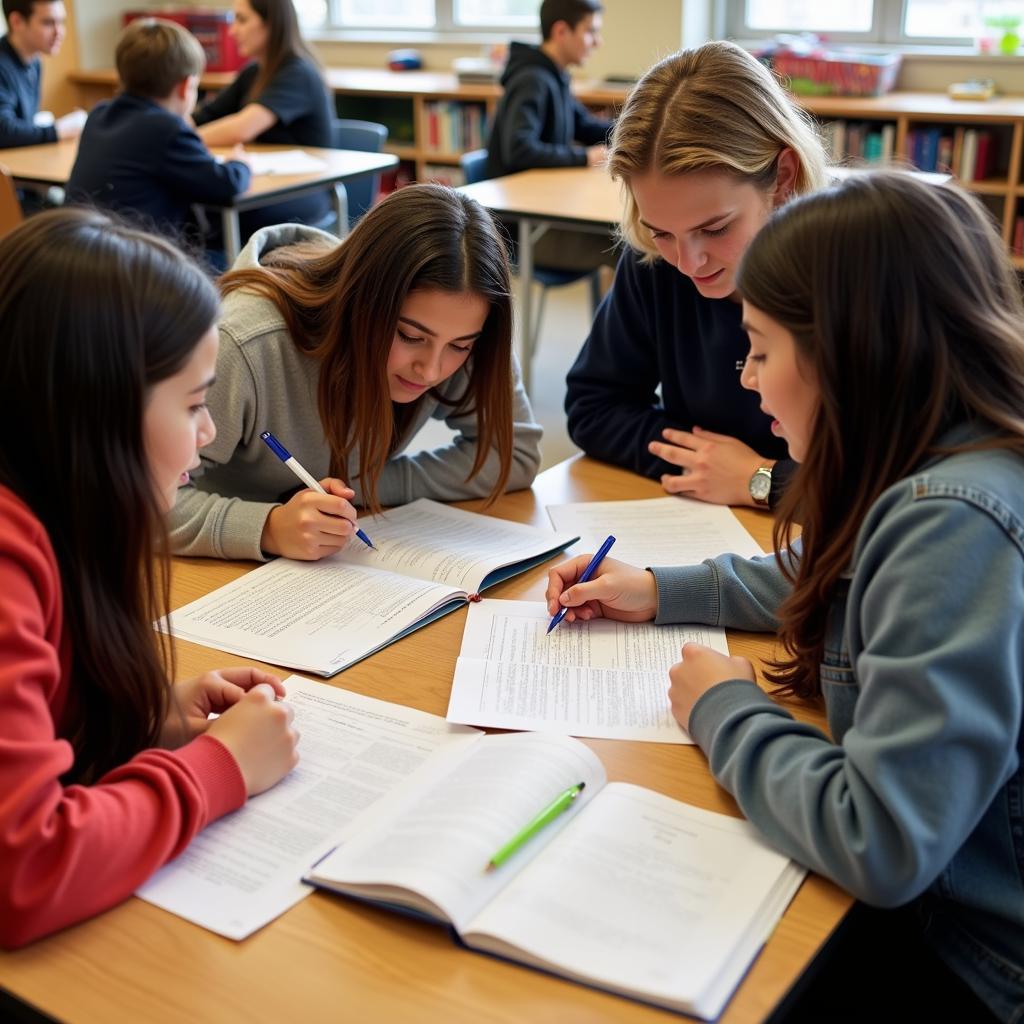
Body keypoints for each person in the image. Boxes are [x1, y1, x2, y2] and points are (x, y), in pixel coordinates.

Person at [547, 173, 1024, 1021]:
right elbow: (825, 570)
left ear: (850, 352)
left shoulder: (952, 522)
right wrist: (658, 590)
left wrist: (725, 708)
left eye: (761, 348)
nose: (751, 381)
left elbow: (883, 840)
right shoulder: (939, 457)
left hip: (978, 955)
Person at [0, 208, 300, 949]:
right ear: (96, 408)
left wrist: (147, 715)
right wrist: (217, 768)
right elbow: (22, 871)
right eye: (194, 404)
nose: (205, 434)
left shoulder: (50, 510)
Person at [169, 183, 542, 562]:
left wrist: (359, 486)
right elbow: (131, 498)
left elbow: (513, 456)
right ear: (362, 302)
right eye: (410, 336)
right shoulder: (245, 343)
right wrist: (268, 526)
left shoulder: (461, 321)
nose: (431, 369)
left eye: (460, 346)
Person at [565, 41, 829, 509]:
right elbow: (594, 406)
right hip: (707, 521)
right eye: (661, 231)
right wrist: (706, 464)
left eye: (715, 228)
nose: (689, 264)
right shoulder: (655, 261)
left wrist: (761, 478)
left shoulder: (857, 268)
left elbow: (905, 483)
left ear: (783, 178)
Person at [67, 19, 251, 262]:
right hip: (138, 269)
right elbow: (225, 184)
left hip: (80, 258)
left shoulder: (99, 115)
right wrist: (240, 164)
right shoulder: (166, 129)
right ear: (186, 87)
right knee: (234, 258)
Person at [484, 0, 615, 271]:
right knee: (628, 247)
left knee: (629, 242)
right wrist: (584, 156)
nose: (598, 42)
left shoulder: (554, 76)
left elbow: (585, 126)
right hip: (523, 229)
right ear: (561, 32)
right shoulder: (533, 80)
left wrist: (638, 129)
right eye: (591, 31)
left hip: (545, 215)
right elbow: (520, 149)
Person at [191, 0, 333, 234]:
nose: (233, 30)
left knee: (205, 213)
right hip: (263, 185)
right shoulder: (253, 73)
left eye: (242, 20)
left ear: (271, 24)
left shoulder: (298, 73)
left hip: (301, 193)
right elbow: (205, 116)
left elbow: (242, 128)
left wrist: (184, 139)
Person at [0, 0, 84, 148]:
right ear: (17, 21)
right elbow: (3, 132)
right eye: (48, 22)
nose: (59, 32)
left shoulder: (34, 61)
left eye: (61, 22)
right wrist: (59, 130)